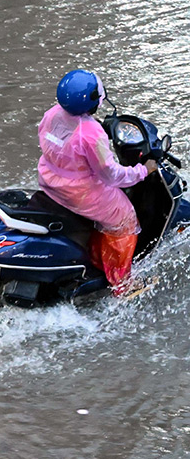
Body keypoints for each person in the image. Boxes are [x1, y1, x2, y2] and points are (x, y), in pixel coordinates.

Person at [36, 69, 158, 292]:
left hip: (50, 180)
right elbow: (110, 174)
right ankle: (122, 283)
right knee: (125, 221)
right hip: (80, 191)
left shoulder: (52, 113)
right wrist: (142, 171)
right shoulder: (91, 134)